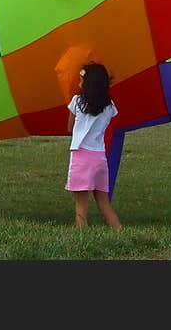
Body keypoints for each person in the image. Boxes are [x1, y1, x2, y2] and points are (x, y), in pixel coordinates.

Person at [65, 62, 121, 229]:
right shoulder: (110, 107)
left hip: (81, 157)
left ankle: (81, 237)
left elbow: (69, 128)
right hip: (99, 158)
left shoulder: (77, 101)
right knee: (103, 202)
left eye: (81, 80)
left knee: (81, 205)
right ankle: (119, 230)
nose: (78, 83)